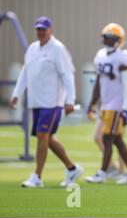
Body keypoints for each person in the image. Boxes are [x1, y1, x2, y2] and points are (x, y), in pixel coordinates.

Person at [10, 16, 83, 188]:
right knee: (47, 138)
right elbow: (25, 73)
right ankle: (72, 168)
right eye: (38, 29)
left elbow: (67, 75)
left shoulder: (58, 49)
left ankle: (37, 176)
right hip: (37, 101)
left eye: (43, 29)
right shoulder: (32, 49)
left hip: (52, 102)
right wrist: (16, 94)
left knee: (42, 136)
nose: (40, 32)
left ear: (50, 30)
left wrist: (70, 100)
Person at [85, 23, 127, 185]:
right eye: (106, 38)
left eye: (111, 38)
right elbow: (99, 83)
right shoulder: (100, 55)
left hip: (118, 104)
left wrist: (126, 108)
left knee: (107, 138)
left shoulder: (124, 56)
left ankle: (103, 173)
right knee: (116, 140)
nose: (108, 41)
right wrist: (92, 104)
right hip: (106, 105)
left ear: (119, 40)